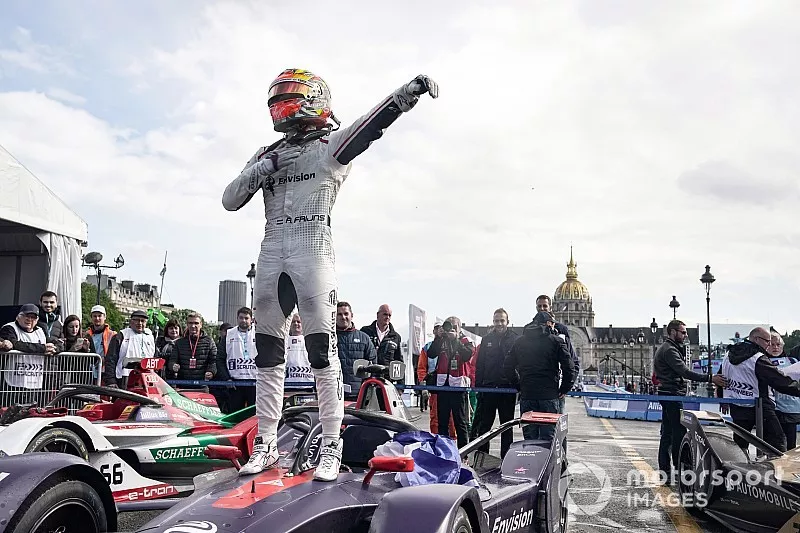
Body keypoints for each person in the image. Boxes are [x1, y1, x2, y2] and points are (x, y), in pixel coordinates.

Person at [222, 68, 438, 480]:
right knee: (267, 354)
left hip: (312, 245)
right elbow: (230, 199)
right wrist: (264, 165)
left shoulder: (329, 146)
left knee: (322, 351)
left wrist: (406, 94)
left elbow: (369, 126)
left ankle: (331, 444)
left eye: (292, 95)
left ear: (314, 99)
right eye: (280, 96)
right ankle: (266, 443)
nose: (284, 103)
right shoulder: (266, 153)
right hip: (271, 248)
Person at [654, 319, 726, 483]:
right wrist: (710, 378)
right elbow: (685, 372)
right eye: (683, 332)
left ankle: (665, 474)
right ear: (672, 332)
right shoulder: (670, 350)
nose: (686, 335)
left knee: (667, 434)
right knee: (678, 435)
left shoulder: (667, 348)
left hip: (668, 394)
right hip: (672, 395)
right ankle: (680, 472)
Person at [718, 327, 800, 453]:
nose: (769, 345)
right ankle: (776, 471)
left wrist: (721, 398)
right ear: (756, 339)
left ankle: (737, 471)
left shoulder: (728, 355)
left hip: (737, 405)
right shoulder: (758, 358)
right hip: (760, 406)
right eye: (767, 341)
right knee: (777, 442)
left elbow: (720, 378)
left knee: (740, 445)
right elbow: (780, 382)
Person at [503, 311, 575, 441]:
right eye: (552, 324)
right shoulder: (556, 341)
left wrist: (519, 385)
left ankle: (531, 461)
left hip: (527, 395)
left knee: (530, 439)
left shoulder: (520, 341)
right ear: (548, 323)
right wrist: (564, 389)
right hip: (549, 395)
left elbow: (507, 366)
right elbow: (569, 368)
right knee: (549, 439)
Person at [473, 308, 519, 458]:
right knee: (485, 428)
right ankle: (482, 458)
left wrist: (517, 386)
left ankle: (505, 459)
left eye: (501, 321)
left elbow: (519, 364)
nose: (499, 324)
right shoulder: (487, 339)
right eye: (496, 321)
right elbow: (480, 364)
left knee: (507, 427)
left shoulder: (515, 339)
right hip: (489, 389)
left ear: (507, 322)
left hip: (507, 390)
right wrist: (479, 386)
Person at [427, 317, 475, 447]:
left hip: (459, 387)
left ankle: (463, 453)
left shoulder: (466, 341)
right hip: (443, 386)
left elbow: (467, 356)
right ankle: (444, 450)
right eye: (449, 326)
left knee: (461, 422)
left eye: (454, 327)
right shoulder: (442, 341)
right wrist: (438, 337)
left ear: (459, 328)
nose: (450, 329)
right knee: (442, 422)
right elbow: (431, 354)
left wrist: (455, 340)